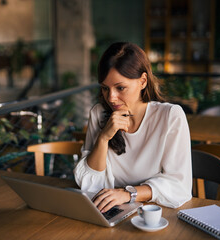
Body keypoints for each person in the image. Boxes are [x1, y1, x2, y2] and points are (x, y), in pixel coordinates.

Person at [74, 42, 192, 212]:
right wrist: (103, 138)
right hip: (111, 210)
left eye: (120, 88)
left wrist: (128, 194)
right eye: (105, 89)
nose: (112, 98)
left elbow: (179, 185)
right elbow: (90, 184)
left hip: (154, 212)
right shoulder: (99, 114)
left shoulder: (170, 116)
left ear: (143, 81)